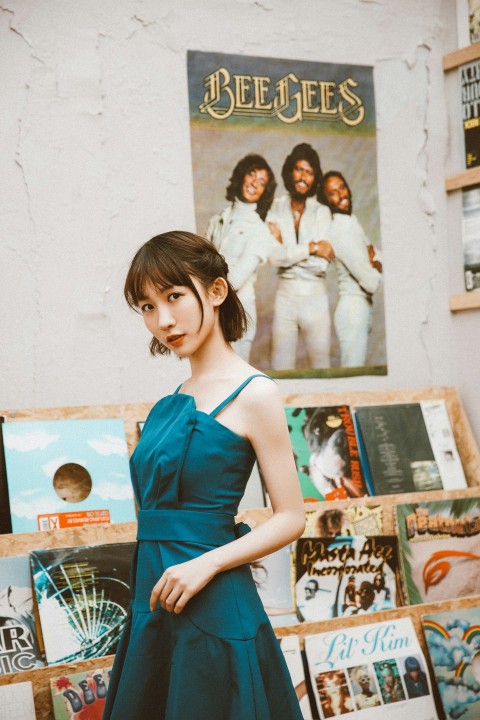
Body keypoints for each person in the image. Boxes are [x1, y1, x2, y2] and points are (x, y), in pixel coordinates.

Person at [103, 231, 306, 719]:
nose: (163, 320)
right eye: (148, 306)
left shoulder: (255, 394)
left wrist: (207, 564)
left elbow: (291, 517)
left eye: (174, 296)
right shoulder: (171, 400)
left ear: (215, 292)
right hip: (155, 600)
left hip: (212, 600)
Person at [267, 143, 334, 370]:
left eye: (309, 171)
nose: (303, 176)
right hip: (284, 297)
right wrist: (313, 247)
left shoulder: (322, 212)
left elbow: (321, 266)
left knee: (321, 366)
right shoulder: (274, 208)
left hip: (315, 298)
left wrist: (288, 254)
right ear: (289, 172)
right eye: (298, 169)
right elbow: (273, 257)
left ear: (315, 178)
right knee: (280, 368)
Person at [206, 154, 277, 361]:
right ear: (242, 176)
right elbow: (196, 263)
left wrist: (205, 282)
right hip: (212, 312)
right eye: (252, 174)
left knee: (234, 383)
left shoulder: (260, 230)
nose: (254, 183)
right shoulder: (218, 219)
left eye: (262, 182)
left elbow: (235, 280)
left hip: (238, 314)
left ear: (265, 192)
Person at [319, 171, 382, 368]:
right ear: (327, 200)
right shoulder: (340, 229)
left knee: (357, 373)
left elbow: (378, 256)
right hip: (353, 310)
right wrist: (376, 267)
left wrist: (376, 262)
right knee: (354, 376)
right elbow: (371, 282)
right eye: (333, 193)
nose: (341, 194)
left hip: (361, 307)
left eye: (342, 188)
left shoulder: (352, 222)